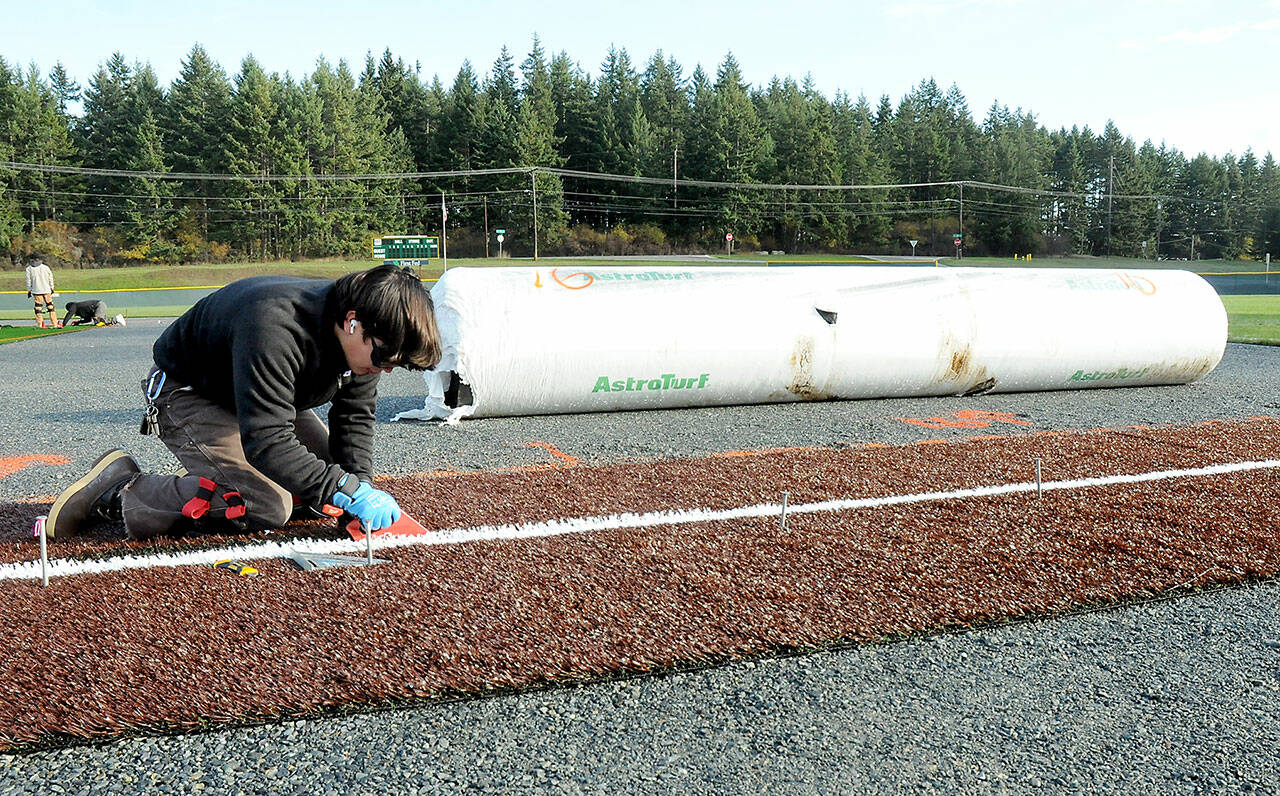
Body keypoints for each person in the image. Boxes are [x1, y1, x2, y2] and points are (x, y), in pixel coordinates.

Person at [46, 265, 441, 540]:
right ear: (354, 321)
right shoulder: (275, 325)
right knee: (265, 506)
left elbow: (353, 419)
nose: (385, 371)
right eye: (383, 358)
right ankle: (121, 491)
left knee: (320, 492)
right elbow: (267, 441)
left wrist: (358, 487)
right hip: (190, 392)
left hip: (258, 395)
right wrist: (343, 487)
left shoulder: (363, 336)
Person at [24, 253, 61, 329]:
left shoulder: (29, 269)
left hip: (36, 290)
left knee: (38, 308)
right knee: (50, 306)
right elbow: (50, 278)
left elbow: (28, 281)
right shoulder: (45, 267)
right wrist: (52, 287)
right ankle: (54, 323)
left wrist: (29, 290)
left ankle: (40, 324)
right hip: (46, 289)